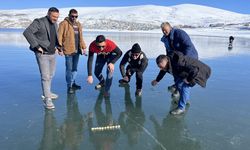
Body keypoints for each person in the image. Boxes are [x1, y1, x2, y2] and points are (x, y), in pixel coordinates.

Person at [23, 7, 60, 109]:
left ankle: (47, 92)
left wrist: (58, 47)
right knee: (45, 76)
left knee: (51, 74)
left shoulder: (55, 24)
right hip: (42, 54)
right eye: (53, 16)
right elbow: (27, 32)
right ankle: (47, 99)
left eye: (57, 17)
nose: (55, 19)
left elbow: (54, 38)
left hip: (53, 53)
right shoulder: (39, 22)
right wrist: (36, 46)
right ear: (48, 14)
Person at [160, 22, 199, 99]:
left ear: (170, 28)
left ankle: (182, 96)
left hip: (189, 57)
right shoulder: (165, 39)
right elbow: (168, 50)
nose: (164, 32)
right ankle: (177, 86)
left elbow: (188, 46)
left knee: (183, 76)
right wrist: (167, 60)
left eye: (165, 30)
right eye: (162, 30)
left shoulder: (179, 33)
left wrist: (184, 60)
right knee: (174, 73)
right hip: (177, 58)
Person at [58, 9, 87, 94]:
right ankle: (69, 86)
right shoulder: (63, 24)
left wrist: (84, 47)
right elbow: (59, 36)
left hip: (77, 50)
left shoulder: (78, 25)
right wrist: (59, 49)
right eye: (72, 16)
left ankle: (73, 83)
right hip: (68, 50)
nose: (74, 18)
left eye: (76, 16)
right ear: (69, 15)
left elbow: (81, 37)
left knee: (75, 68)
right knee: (69, 69)